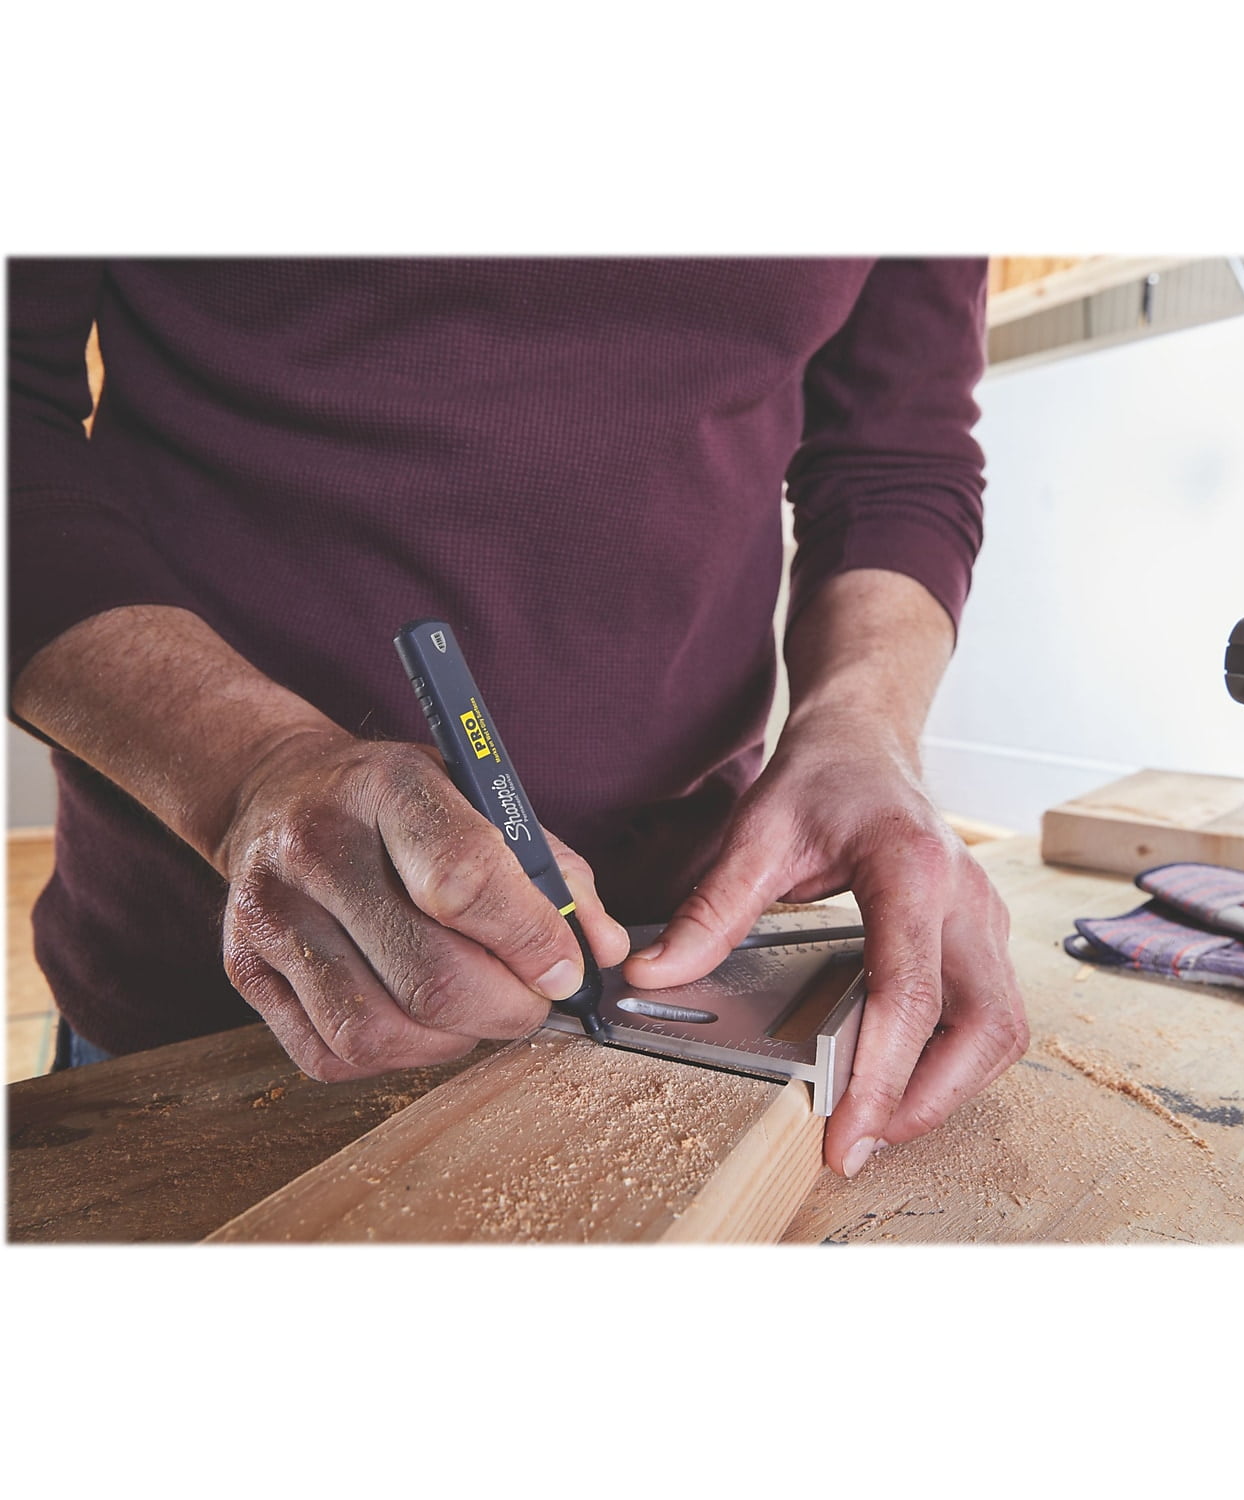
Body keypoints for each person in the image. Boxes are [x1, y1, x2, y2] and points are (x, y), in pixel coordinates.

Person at [8, 257, 1028, 1179]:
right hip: (229, 997)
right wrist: (254, 773)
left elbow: (894, 458)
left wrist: (862, 729)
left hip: (679, 968)